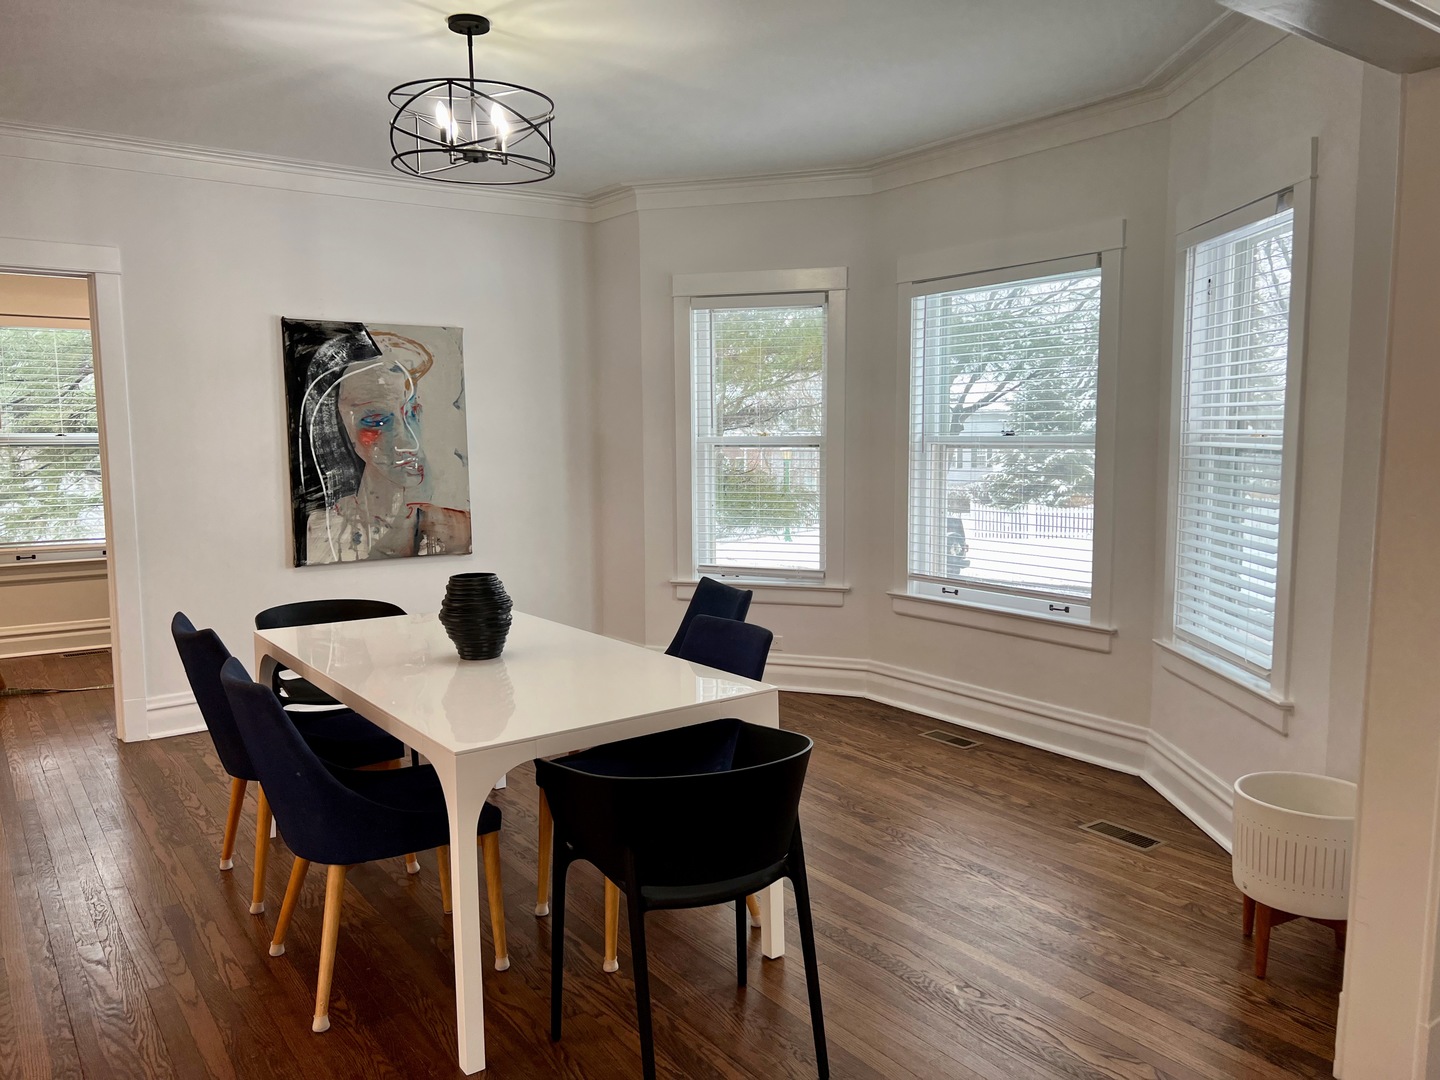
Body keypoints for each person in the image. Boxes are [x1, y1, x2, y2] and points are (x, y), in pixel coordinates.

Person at [286, 322, 470, 565]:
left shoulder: (458, 529)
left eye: (412, 412)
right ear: (345, 432)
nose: (408, 442)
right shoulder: (319, 533)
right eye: (378, 420)